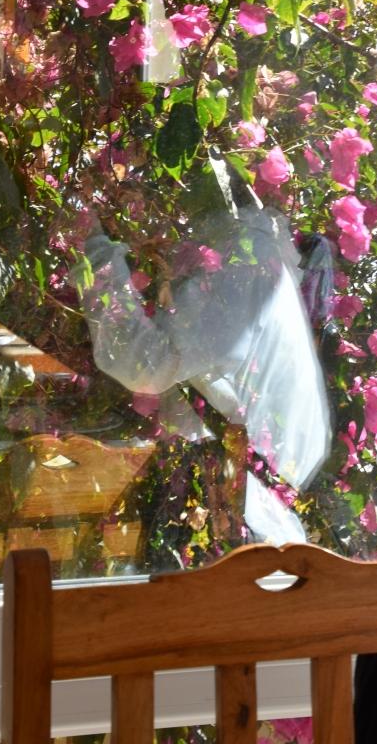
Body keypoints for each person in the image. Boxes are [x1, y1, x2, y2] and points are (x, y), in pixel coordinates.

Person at [78, 190, 331, 546]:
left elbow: (144, 364)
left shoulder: (243, 268)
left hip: (251, 538)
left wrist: (91, 244)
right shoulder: (262, 262)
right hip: (257, 531)